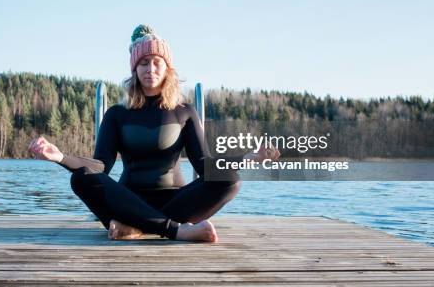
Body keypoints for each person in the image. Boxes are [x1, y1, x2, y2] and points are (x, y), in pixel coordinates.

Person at [29, 25, 280, 242]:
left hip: (176, 202)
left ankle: (137, 227)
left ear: (167, 69)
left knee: (229, 181)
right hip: (126, 200)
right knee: (81, 178)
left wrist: (249, 158)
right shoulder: (117, 114)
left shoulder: (184, 112)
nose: (150, 68)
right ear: (135, 69)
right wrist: (60, 156)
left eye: (157, 62)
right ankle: (175, 231)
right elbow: (100, 166)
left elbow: (204, 165)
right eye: (143, 62)